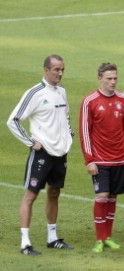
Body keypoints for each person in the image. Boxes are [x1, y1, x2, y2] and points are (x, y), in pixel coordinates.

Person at [7, 54, 74, 255]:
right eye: (56, 70)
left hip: (60, 153)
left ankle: (52, 237)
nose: (60, 73)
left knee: (54, 193)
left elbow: (66, 117)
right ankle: (25, 243)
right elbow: (13, 120)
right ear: (46, 70)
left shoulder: (62, 92)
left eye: (62, 69)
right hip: (42, 153)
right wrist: (30, 141)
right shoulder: (35, 93)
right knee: (31, 195)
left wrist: (68, 136)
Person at [79, 63, 124, 253]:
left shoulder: (123, 100)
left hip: (119, 159)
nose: (112, 82)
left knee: (112, 198)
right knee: (102, 196)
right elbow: (84, 131)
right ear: (100, 79)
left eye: (115, 78)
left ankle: (108, 237)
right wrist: (89, 160)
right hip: (100, 160)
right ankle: (99, 238)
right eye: (109, 78)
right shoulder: (90, 101)